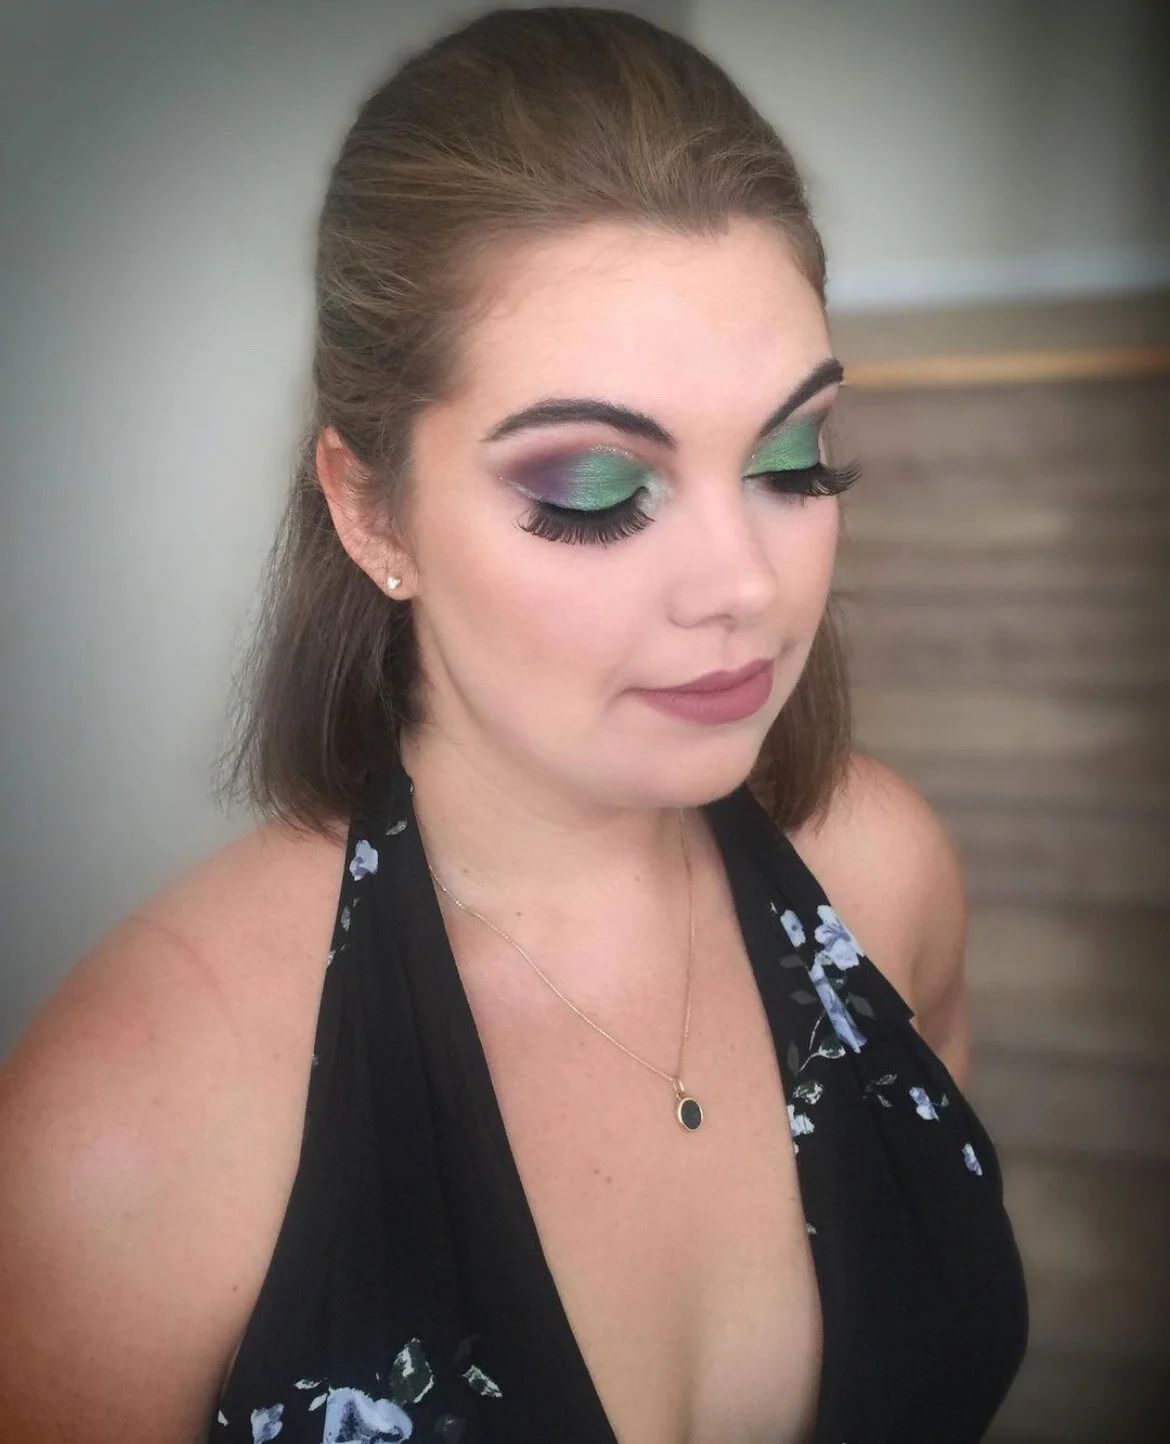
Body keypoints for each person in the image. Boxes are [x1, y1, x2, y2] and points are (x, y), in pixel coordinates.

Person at [0, 7, 1028, 1442]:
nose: (743, 585)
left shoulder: (885, 876)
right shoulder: (130, 1118)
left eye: (793, 461)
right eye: (597, 490)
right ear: (371, 511)